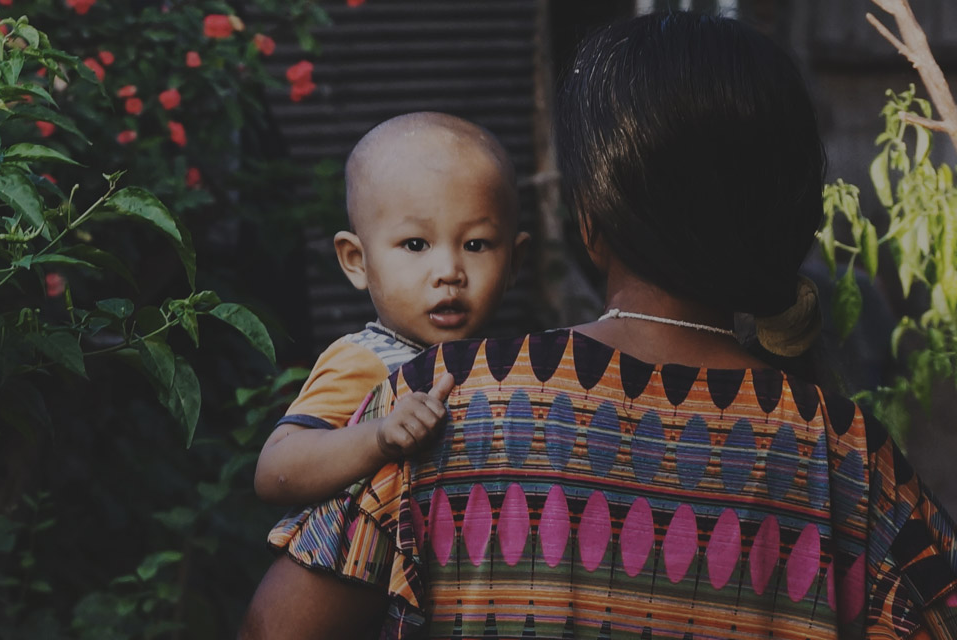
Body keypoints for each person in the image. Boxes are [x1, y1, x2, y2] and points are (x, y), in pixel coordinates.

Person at [243, 12, 957, 640]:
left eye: (474, 243)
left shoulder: (439, 405)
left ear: (590, 218)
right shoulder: (849, 459)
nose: (448, 270)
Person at [253, 112, 527, 507]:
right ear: (356, 260)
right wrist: (378, 435)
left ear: (514, 263)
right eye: (416, 245)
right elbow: (276, 469)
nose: (449, 272)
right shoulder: (365, 361)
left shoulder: (503, 365)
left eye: (475, 245)